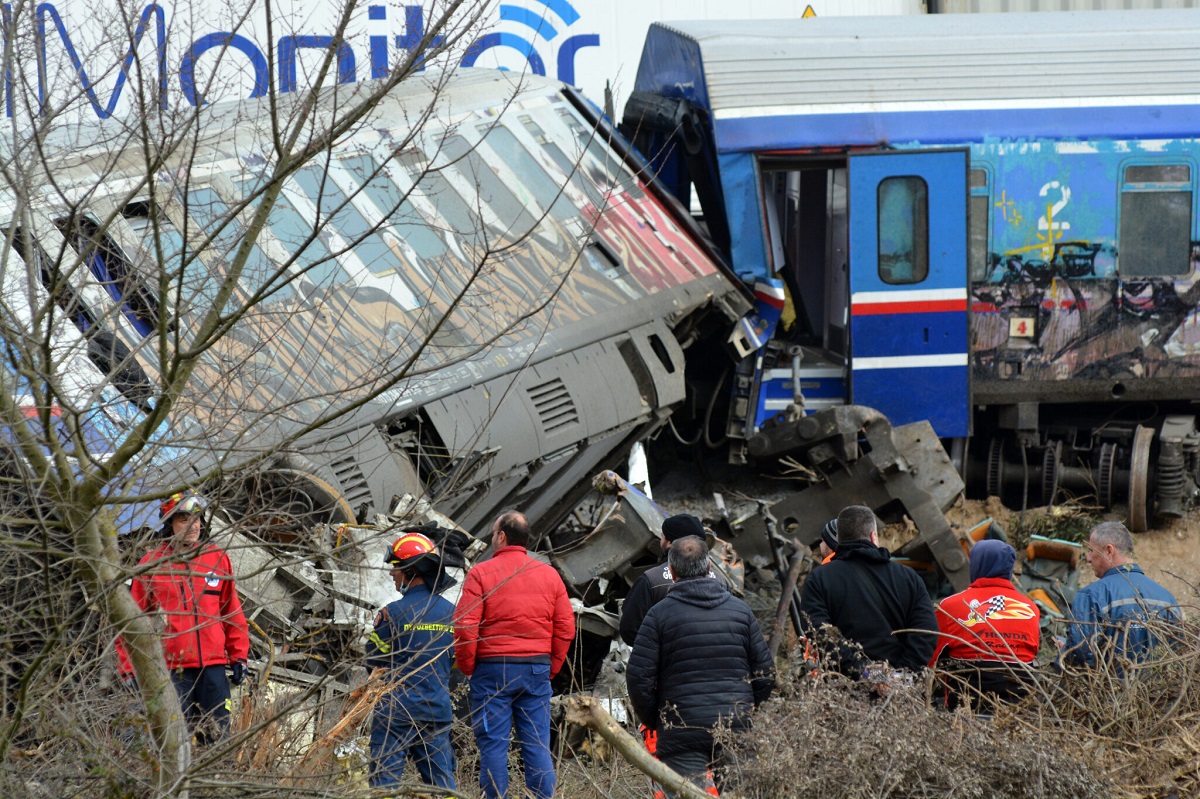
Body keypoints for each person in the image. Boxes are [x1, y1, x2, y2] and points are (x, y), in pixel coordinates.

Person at [626, 536, 775, 794]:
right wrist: (745, 710)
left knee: (686, 794)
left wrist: (657, 719)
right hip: (733, 725)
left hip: (681, 729)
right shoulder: (741, 612)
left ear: (672, 572)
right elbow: (766, 674)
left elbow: (638, 679)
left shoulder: (658, 616)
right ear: (709, 568)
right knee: (740, 794)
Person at [454, 510, 575, 799]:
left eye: (493, 533)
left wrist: (469, 666)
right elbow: (566, 627)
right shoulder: (548, 574)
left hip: (492, 671)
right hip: (536, 670)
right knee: (537, 743)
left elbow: (465, 626)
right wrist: (551, 667)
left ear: (502, 536)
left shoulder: (481, 573)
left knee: (494, 745)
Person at [123, 490, 250, 744]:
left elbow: (232, 612)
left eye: (197, 518)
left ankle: (216, 783)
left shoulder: (218, 559)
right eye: (184, 519)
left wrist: (239, 656)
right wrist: (129, 670)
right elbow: (130, 624)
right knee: (171, 744)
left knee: (217, 742)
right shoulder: (150, 565)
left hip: (213, 671)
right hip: (171, 673)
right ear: (170, 523)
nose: (193, 526)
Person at [799, 505, 937, 678]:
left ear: (839, 539)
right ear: (873, 536)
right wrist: (903, 674)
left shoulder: (819, 580)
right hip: (903, 692)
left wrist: (865, 672)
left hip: (847, 692)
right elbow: (926, 632)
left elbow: (819, 636)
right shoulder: (908, 577)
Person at [366, 531, 457, 791]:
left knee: (384, 784)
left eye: (396, 567)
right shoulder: (452, 614)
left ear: (410, 570)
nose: (392, 573)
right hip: (435, 711)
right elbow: (455, 662)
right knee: (442, 787)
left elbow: (373, 661)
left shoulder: (391, 613)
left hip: (396, 711)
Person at [930, 540, 1040, 708]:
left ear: (976, 564)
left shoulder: (950, 607)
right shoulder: (1031, 609)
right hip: (1017, 711)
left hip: (965, 712)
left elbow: (928, 659)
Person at [1065, 521, 1181, 667]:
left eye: (1090, 550)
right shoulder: (1167, 598)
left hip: (1109, 688)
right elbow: (1178, 653)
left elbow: (1080, 654)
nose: (1088, 559)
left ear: (1108, 551)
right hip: (1159, 689)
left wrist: (1064, 651)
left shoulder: (1092, 596)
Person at [619, 513, 709, 646]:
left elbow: (630, 630)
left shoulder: (650, 580)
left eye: (662, 535)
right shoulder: (720, 580)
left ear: (669, 543)